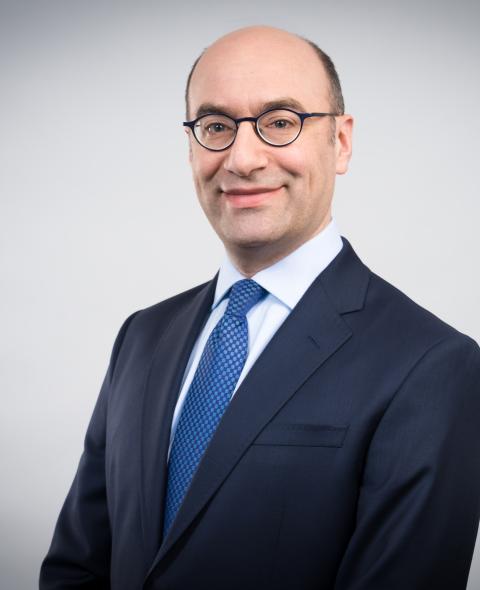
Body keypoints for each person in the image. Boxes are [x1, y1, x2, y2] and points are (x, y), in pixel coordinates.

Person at [40, 26, 480, 590]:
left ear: (340, 142)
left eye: (280, 122)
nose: (242, 159)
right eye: (216, 126)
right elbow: (77, 568)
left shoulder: (430, 364)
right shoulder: (143, 337)